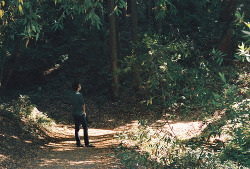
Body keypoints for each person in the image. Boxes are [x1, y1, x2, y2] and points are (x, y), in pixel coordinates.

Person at [69, 82, 94, 147]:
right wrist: (84, 112)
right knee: (85, 127)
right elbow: (83, 104)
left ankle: (78, 142)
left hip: (74, 113)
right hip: (80, 113)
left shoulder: (71, 95)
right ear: (78, 87)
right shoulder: (79, 95)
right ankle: (87, 143)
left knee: (77, 128)